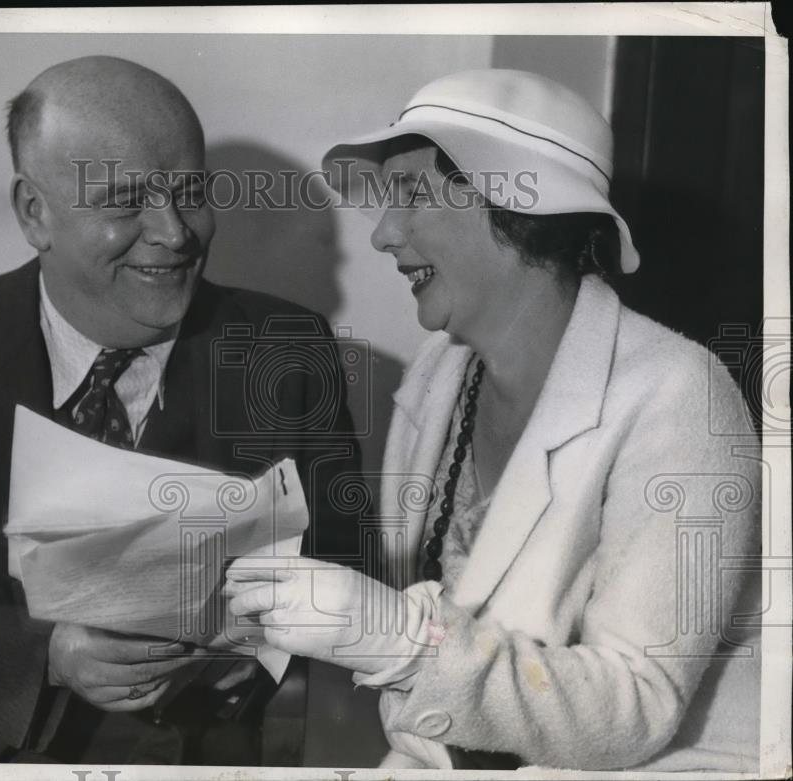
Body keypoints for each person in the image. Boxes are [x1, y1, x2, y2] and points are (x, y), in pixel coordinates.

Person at [0, 55, 359, 764]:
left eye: (189, 192)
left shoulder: (287, 349)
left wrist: (267, 649)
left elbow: (349, 566)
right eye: (126, 200)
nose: (174, 232)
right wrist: (49, 654)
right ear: (34, 213)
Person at [227, 70, 761, 771]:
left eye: (411, 193)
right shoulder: (438, 375)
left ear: (517, 198)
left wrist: (394, 639)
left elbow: (635, 707)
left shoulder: (677, 392)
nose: (384, 234)